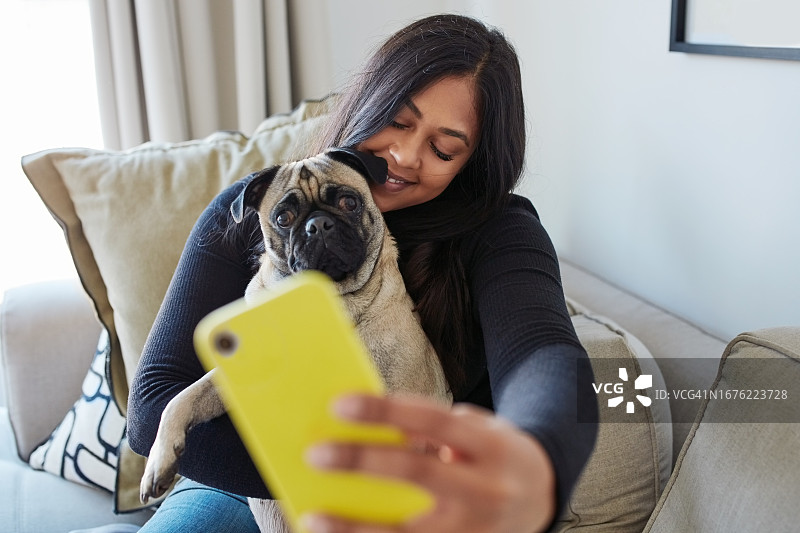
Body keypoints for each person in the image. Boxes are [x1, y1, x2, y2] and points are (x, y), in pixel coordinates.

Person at [128, 13, 598, 533]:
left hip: (422, 499)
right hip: (245, 480)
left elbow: (544, 354)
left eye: (443, 149)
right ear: (370, 99)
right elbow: (152, 405)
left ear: (472, 162)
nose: (403, 156)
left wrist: (538, 461)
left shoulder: (499, 231)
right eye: (397, 120)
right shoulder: (255, 210)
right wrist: (341, 480)